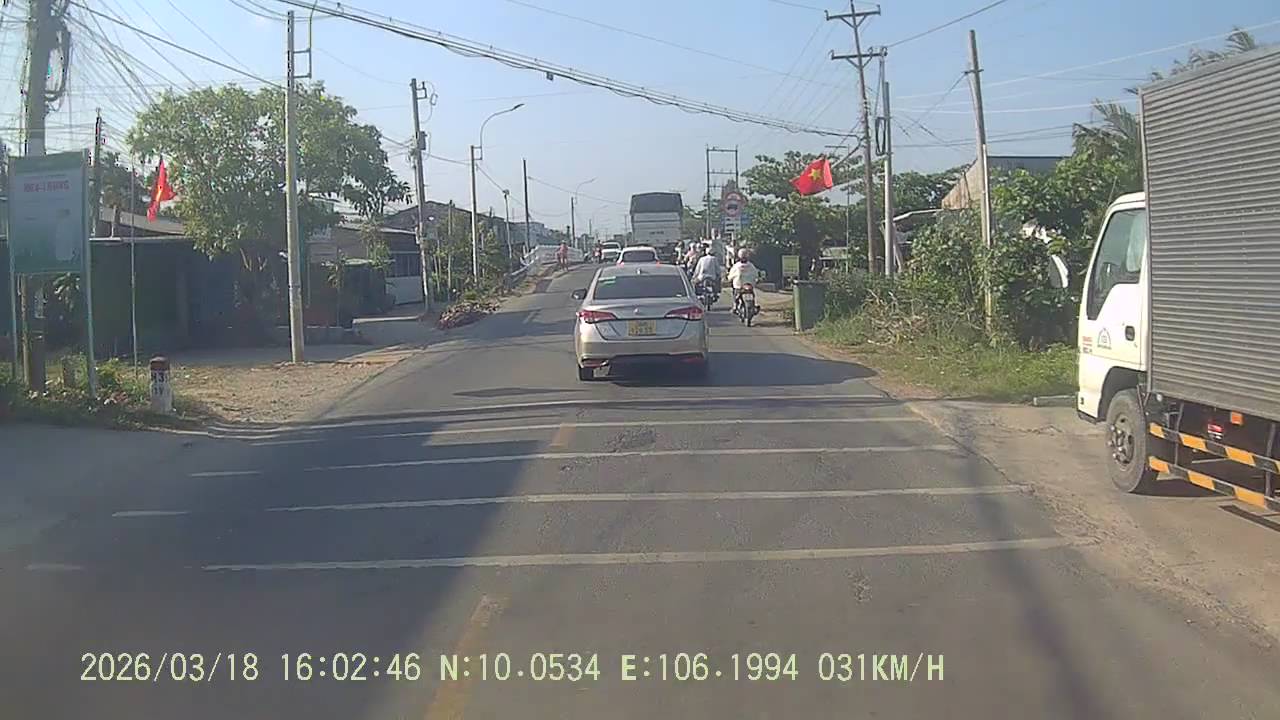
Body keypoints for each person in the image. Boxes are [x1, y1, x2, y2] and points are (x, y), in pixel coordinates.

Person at [727, 247, 760, 313]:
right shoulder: (751, 265)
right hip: (749, 284)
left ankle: (735, 306)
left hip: (739, 285)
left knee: (736, 295)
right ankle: (752, 306)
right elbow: (756, 274)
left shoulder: (736, 266)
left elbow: (731, 275)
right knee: (751, 294)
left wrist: (729, 278)